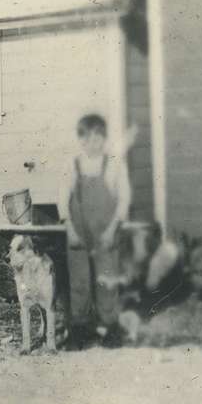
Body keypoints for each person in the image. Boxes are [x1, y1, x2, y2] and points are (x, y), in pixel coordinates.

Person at [58, 114, 135, 340]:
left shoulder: (114, 164)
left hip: (106, 230)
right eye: (86, 139)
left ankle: (110, 326)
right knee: (79, 279)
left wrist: (112, 230)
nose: (92, 144)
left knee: (107, 278)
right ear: (80, 140)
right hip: (78, 231)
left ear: (104, 139)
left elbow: (124, 198)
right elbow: (62, 198)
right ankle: (80, 327)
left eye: (97, 138)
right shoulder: (72, 165)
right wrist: (69, 228)